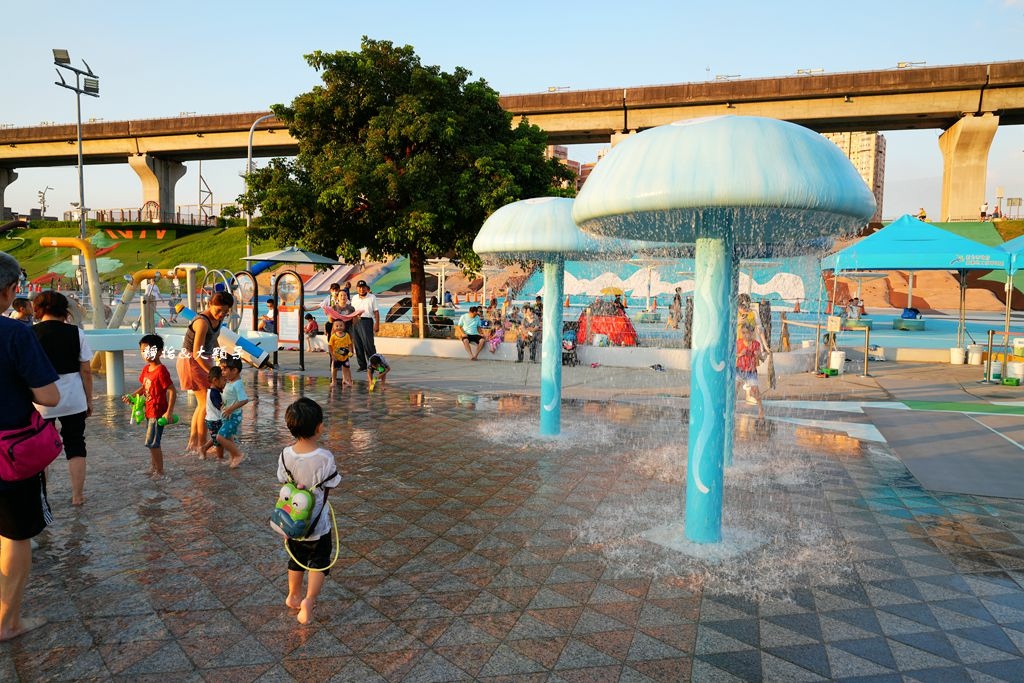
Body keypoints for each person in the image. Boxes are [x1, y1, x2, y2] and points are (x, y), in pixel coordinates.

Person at [0, 251, 60, 643]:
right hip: (9, 454)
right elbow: (50, 397)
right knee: (14, 535)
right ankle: (7, 623)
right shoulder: (16, 334)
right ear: (8, 291)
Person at [275, 397, 342, 625]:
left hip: (293, 522)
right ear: (319, 427)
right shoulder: (325, 457)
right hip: (318, 524)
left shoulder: (285, 454)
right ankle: (309, 601)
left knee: (296, 559)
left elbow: (283, 481)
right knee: (319, 561)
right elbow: (333, 483)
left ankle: (293, 594)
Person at [31, 291, 93, 506]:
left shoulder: (30, 334)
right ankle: (78, 496)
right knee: (76, 445)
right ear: (63, 309)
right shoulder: (77, 333)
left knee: (40, 449)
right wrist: (89, 400)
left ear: (38, 309)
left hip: (41, 401)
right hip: (74, 399)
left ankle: (41, 497)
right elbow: (86, 371)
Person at [177, 291, 233, 455]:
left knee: (201, 405)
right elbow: (196, 352)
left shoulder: (218, 319)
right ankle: (201, 446)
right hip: (192, 361)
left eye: (225, 311)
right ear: (209, 304)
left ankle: (193, 442)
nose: (222, 314)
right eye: (218, 310)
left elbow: (213, 340)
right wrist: (213, 372)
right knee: (205, 405)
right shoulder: (202, 322)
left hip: (203, 360)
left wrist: (221, 359)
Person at [123, 334, 177, 477]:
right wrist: (132, 396)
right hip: (149, 410)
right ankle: (154, 468)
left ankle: (159, 471)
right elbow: (144, 387)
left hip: (158, 412)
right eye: (143, 350)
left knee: (153, 442)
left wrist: (169, 412)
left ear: (159, 351)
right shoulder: (147, 369)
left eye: (149, 350)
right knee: (151, 442)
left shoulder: (161, 370)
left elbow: (172, 390)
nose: (146, 354)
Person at [217, 356, 250, 469]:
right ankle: (232, 457)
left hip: (233, 416)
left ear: (234, 370)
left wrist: (230, 409)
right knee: (228, 437)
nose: (222, 372)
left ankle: (238, 454)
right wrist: (225, 404)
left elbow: (244, 399)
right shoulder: (231, 382)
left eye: (224, 369)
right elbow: (231, 397)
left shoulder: (237, 384)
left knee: (220, 438)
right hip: (228, 414)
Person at [735, 324, 766, 419]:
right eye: (743, 333)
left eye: (747, 333)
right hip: (739, 370)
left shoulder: (756, 344)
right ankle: (732, 407)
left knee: (755, 390)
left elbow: (762, 359)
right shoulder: (739, 343)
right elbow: (733, 355)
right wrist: (740, 354)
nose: (745, 335)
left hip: (751, 371)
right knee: (735, 390)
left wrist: (758, 355)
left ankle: (761, 409)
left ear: (752, 333)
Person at [350, 280, 380, 373]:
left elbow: (376, 311)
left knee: (368, 345)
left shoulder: (372, 297)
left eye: (363, 287)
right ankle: (362, 365)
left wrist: (377, 324)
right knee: (358, 344)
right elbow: (352, 311)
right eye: (359, 287)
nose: (361, 289)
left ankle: (374, 365)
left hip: (366, 321)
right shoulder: (354, 298)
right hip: (355, 322)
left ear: (366, 288)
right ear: (357, 288)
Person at [200, 366, 226, 460]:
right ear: (215, 380)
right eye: (224, 380)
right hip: (214, 421)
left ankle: (204, 448)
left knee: (217, 437)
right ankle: (220, 458)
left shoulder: (214, 391)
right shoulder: (214, 393)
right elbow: (220, 407)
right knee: (219, 441)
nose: (225, 383)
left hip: (214, 419)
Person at [328, 320, 354, 386]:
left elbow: (350, 344)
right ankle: (334, 381)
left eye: (341, 325)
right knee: (335, 369)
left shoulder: (347, 335)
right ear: (333, 328)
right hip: (336, 356)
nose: (339, 327)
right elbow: (330, 346)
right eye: (337, 326)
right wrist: (332, 355)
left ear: (344, 326)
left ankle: (348, 380)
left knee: (347, 368)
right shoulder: (333, 336)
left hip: (345, 356)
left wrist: (350, 352)